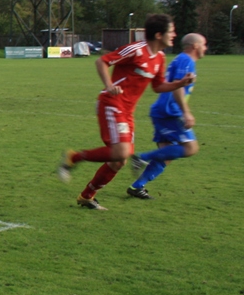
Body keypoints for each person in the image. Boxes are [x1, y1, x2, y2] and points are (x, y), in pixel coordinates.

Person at [57, 13, 194, 210]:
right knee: (123, 151)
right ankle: (73, 157)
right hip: (111, 103)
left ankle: (87, 196)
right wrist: (109, 84)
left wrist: (180, 83)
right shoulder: (136, 50)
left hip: (127, 111)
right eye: (171, 31)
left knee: (119, 161)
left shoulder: (160, 57)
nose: (174, 35)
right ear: (158, 34)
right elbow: (102, 61)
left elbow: (158, 86)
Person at [127, 33, 206, 198]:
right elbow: (178, 87)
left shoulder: (182, 59)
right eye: (204, 44)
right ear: (195, 46)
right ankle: (142, 158)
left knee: (166, 154)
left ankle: (137, 186)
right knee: (191, 148)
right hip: (170, 111)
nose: (205, 48)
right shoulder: (186, 60)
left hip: (161, 110)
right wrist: (186, 112)